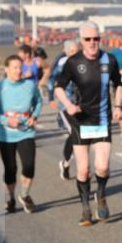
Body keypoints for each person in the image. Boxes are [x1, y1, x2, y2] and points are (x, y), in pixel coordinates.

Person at [54, 21, 122, 226]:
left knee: (102, 168)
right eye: (88, 39)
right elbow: (59, 87)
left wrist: (118, 105)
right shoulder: (73, 62)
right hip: (80, 121)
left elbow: (118, 85)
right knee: (83, 170)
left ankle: (100, 195)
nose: (93, 43)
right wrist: (68, 105)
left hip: (102, 120)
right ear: (81, 40)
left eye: (96, 39)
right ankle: (85, 209)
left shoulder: (109, 60)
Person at [0, 55, 43, 213]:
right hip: (5, 135)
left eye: (20, 67)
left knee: (29, 165)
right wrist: (7, 121)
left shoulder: (29, 85)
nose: (19, 70)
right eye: (15, 67)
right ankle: (10, 197)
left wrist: (34, 116)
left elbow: (38, 102)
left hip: (26, 132)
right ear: (6, 69)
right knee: (10, 168)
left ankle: (24, 195)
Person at [47, 40, 80, 180]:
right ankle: (73, 165)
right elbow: (51, 80)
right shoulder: (61, 63)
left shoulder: (84, 62)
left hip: (81, 104)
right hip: (66, 104)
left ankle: (67, 164)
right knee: (75, 133)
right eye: (71, 51)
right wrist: (51, 98)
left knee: (80, 136)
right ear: (66, 52)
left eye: (76, 51)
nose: (74, 54)